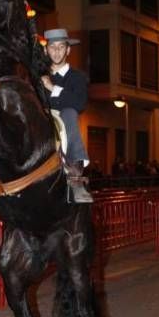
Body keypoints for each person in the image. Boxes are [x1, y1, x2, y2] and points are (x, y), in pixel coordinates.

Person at [40, 28, 92, 203]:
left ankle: (76, 171)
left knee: (69, 112)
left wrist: (52, 89)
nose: (56, 51)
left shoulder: (78, 77)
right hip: (41, 121)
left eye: (61, 47)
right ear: (46, 50)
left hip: (64, 120)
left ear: (68, 50)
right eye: (52, 47)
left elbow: (79, 103)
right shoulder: (37, 76)